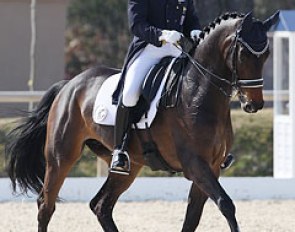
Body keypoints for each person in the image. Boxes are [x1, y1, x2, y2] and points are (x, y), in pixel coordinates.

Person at [109, 0, 202, 175]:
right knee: (129, 94)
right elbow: (137, 26)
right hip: (149, 49)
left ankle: (210, 146)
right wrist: (162, 34)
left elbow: (191, 20)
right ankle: (119, 150)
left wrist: (194, 30)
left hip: (177, 50)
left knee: (202, 84)